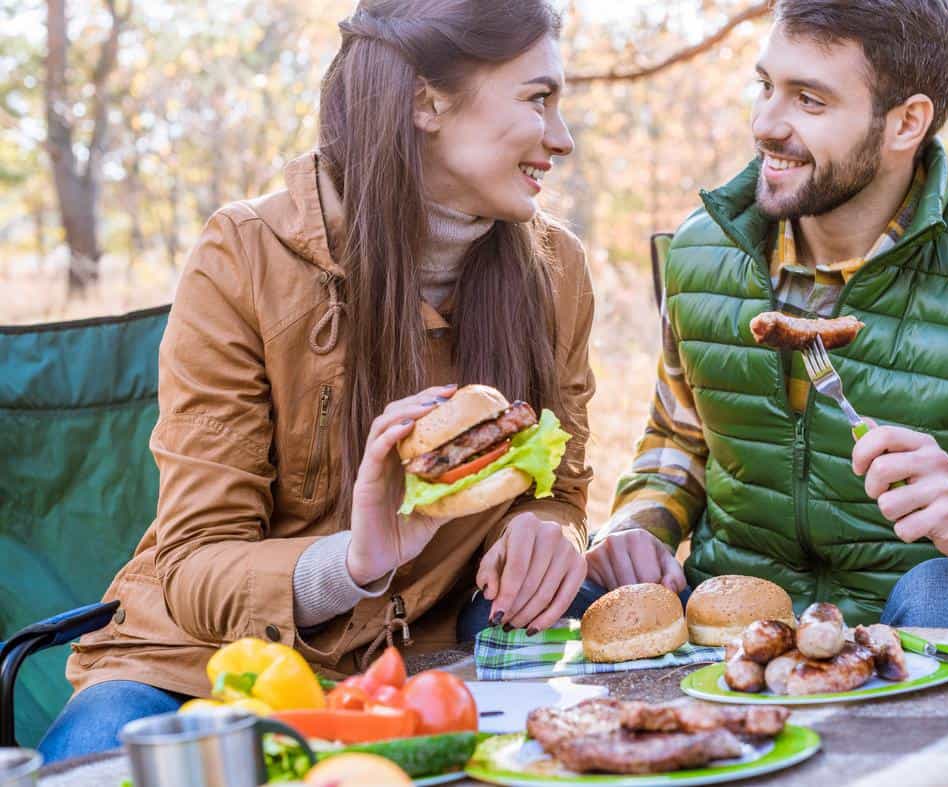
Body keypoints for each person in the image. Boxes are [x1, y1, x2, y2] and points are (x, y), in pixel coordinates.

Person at [40, 0, 593, 763]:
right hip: (201, 668)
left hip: (418, 662)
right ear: (424, 101)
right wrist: (356, 561)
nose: (561, 138)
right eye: (539, 98)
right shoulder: (243, 257)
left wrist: (551, 526)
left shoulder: (556, 272)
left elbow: (561, 483)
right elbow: (195, 560)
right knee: (95, 762)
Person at [586, 0, 948, 633]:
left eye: (809, 101)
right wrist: (636, 526)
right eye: (766, 87)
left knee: (941, 589)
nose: (766, 125)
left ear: (905, 123)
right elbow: (677, 443)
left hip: (923, 648)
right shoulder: (703, 252)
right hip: (730, 635)